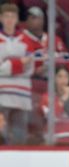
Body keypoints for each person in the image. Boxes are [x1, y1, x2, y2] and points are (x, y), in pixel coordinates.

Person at [0, 3, 37, 144]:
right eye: (6, 16)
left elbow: (29, 68)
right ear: (1, 18)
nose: (9, 19)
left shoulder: (27, 40)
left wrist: (7, 64)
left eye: (12, 16)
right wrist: (19, 62)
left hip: (21, 97)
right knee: (1, 139)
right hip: (1, 96)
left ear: (17, 19)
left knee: (19, 140)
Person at [41, 65, 69, 144]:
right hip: (53, 140)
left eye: (66, 77)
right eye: (60, 76)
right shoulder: (47, 97)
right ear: (54, 79)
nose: (63, 80)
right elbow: (51, 116)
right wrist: (64, 98)